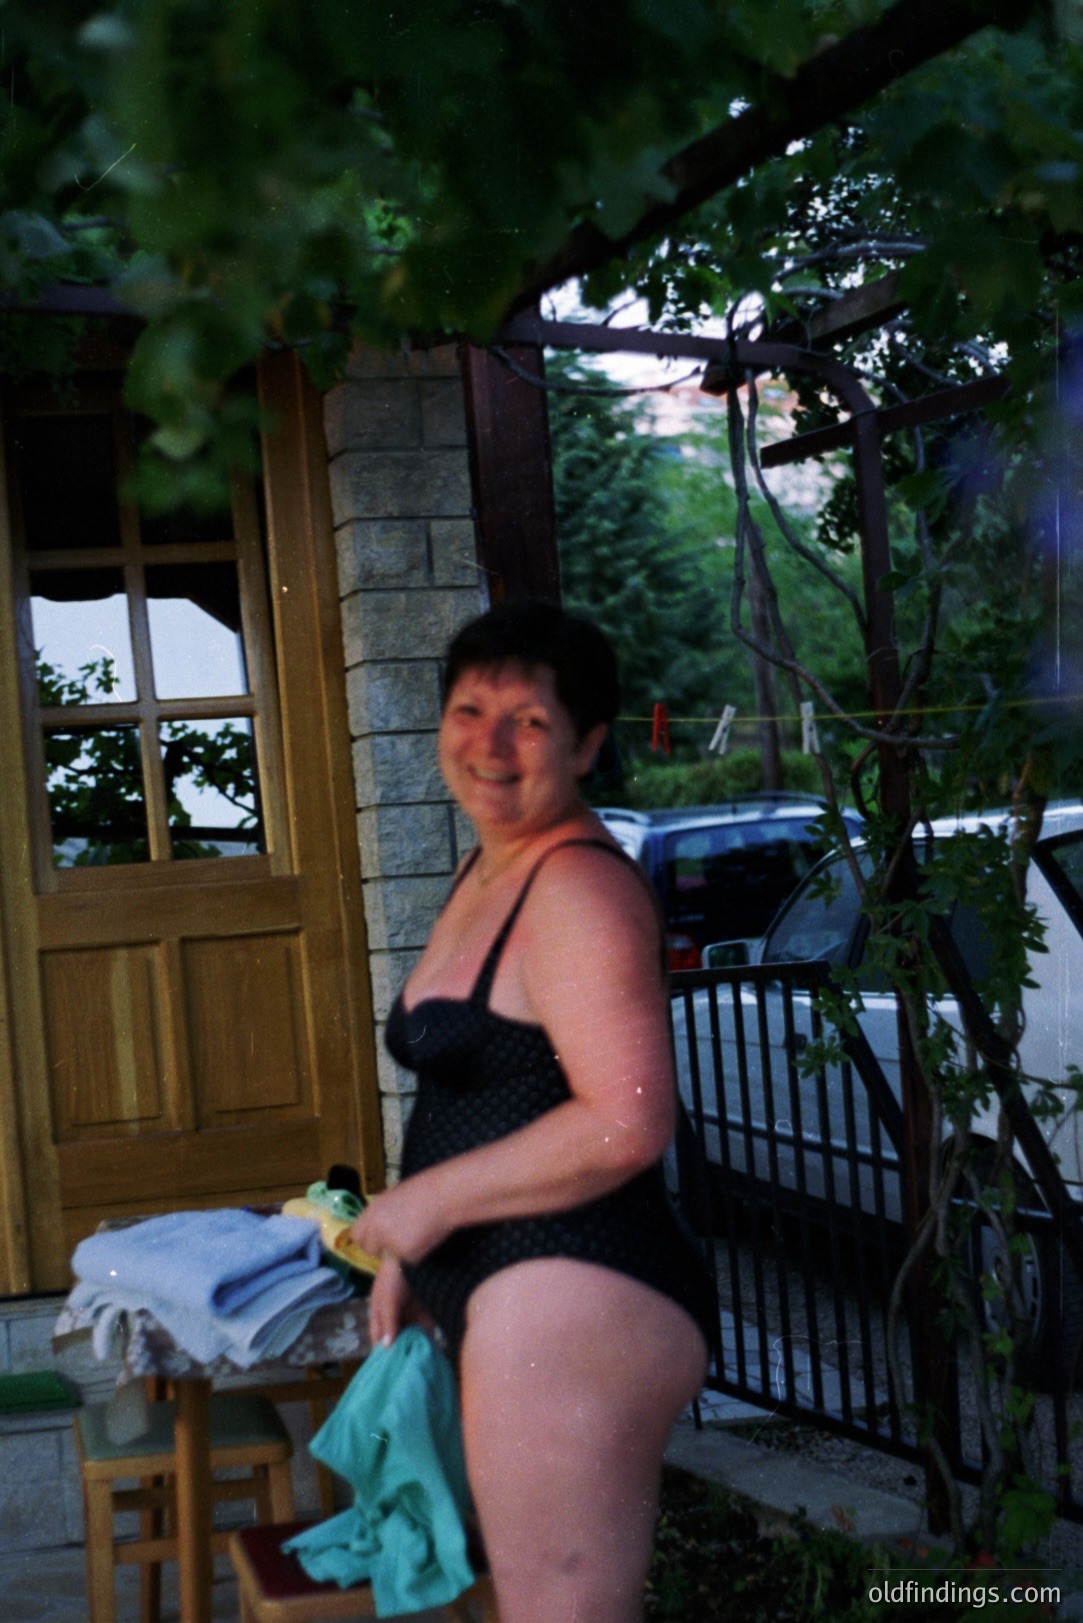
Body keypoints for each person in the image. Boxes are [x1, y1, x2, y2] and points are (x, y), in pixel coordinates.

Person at [350, 600, 714, 1623]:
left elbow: (628, 1119)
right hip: (502, 1285)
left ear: (591, 744)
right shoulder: (490, 865)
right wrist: (413, 1259)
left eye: (531, 722)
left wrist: (429, 1206)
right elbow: (480, 1093)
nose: (493, 746)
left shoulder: (579, 892)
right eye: (470, 711)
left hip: (576, 1290)